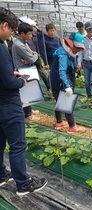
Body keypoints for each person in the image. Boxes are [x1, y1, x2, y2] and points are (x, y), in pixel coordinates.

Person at [0, 7, 47, 196]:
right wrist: (21, 80)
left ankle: (2, 175)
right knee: (18, 145)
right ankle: (23, 183)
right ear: (4, 25)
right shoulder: (1, 49)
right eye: (11, 30)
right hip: (8, 105)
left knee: (0, 143)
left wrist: (10, 74)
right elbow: (10, 83)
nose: (11, 34)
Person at [49, 32, 86, 133]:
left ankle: (59, 122)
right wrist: (67, 86)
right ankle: (72, 127)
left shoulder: (65, 51)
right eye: (77, 47)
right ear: (71, 44)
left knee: (59, 101)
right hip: (60, 82)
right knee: (67, 103)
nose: (79, 49)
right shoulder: (63, 55)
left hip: (56, 82)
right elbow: (61, 72)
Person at [12, 22, 41, 121]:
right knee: (26, 91)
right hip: (22, 70)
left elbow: (30, 55)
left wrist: (32, 55)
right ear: (22, 34)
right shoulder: (19, 45)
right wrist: (35, 54)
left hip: (27, 68)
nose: (31, 36)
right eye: (29, 33)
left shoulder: (24, 42)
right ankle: (28, 115)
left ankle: (29, 110)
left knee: (29, 90)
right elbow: (33, 58)